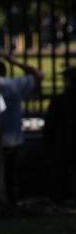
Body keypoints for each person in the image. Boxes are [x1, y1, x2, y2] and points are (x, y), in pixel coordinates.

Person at [0, 54, 43, 204]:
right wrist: (15, 62)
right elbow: (38, 74)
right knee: (11, 174)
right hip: (14, 138)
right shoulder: (15, 85)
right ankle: (12, 201)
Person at [44, 67, 76, 202]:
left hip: (62, 142)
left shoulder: (58, 100)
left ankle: (60, 197)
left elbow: (50, 124)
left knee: (60, 173)